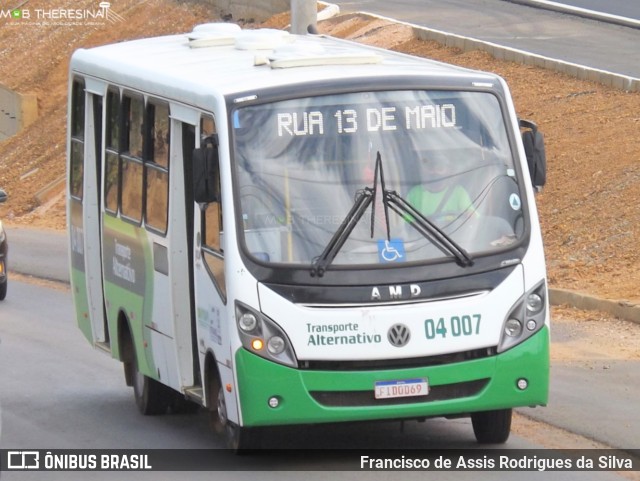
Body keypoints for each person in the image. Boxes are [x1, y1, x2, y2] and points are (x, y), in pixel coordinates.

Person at [406, 156, 475, 222]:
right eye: (430, 168)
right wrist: (422, 222)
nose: (435, 172)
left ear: (448, 171)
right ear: (424, 171)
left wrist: (469, 214)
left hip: (454, 233)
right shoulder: (415, 193)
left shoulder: (458, 192)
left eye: (440, 169)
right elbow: (405, 219)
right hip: (423, 233)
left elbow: (472, 215)